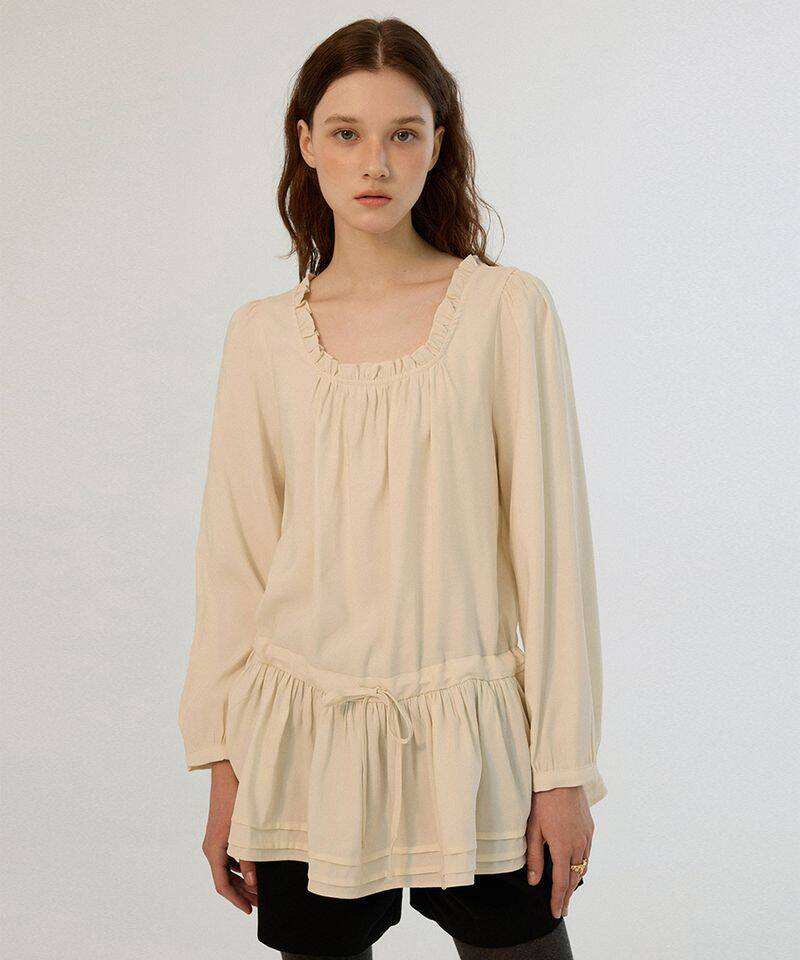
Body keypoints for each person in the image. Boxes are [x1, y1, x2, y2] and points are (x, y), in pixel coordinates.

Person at [178, 16, 607, 960]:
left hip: (478, 744)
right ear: (307, 143)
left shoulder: (506, 312)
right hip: (301, 745)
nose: (375, 161)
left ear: (437, 145)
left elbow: (553, 554)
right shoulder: (261, 336)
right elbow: (235, 565)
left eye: (403, 133)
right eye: (347, 133)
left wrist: (563, 768)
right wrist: (222, 765)